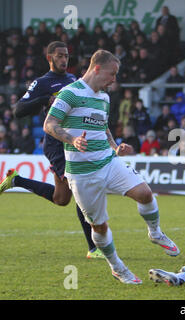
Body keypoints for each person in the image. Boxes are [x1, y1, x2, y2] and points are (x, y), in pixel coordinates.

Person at [43, 49, 180, 284]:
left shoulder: (103, 97)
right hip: (82, 173)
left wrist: (115, 146)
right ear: (97, 68)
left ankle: (155, 233)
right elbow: (49, 124)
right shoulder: (70, 93)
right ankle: (117, 267)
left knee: (145, 193)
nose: (114, 79)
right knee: (100, 225)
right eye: (112, 73)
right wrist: (72, 139)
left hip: (108, 161)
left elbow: (103, 126)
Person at [0, 41, 103, 259]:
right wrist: (45, 99)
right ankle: (94, 248)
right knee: (79, 189)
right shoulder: (42, 82)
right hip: (56, 143)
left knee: (61, 198)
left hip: (74, 140)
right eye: (59, 56)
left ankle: (16, 181)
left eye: (66, 55)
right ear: (50, 58)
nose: (64, 60)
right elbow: (18, 110)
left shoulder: (73, 80)